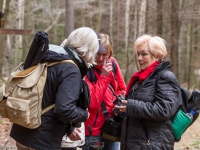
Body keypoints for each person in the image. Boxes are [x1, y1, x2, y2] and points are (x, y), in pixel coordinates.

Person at [10, 27, 99, 150]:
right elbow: (64, 109)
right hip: (43, 141)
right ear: (90, 49)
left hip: (23, 132)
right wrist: (84, 114)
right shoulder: (71, 70)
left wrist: (69, 129)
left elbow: (47, 99)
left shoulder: (51, 58)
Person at [115, 34, 182, 150]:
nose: (139, 58)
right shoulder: (139, 79)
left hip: (152, 144)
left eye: (144, 54)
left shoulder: (165, 77)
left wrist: (131, 106)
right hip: (134, 143)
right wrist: (122, 109)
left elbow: (164, 110)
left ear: (157, 55)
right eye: (138, 54)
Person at [83, 33, 126, 150]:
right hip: (92, 128)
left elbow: (122, 88)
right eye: (97, 54)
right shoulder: (85, 69)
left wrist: (119, 101)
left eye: (104, 55)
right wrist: (104, 76)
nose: (101, 59)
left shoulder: (112, 63)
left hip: (112, 124)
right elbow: (92, 103)